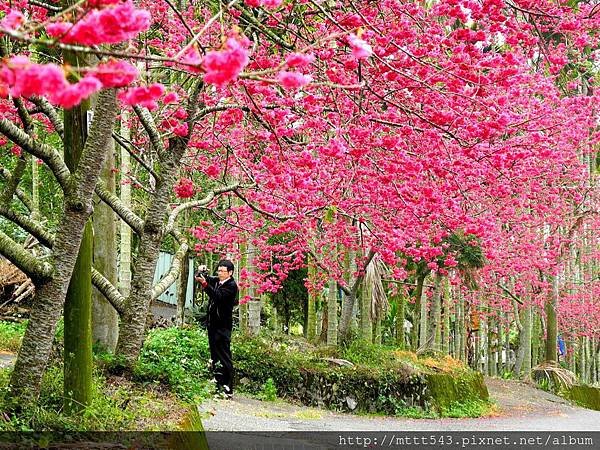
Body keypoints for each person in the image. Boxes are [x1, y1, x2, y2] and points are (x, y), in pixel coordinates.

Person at [195, 260, 238, 398]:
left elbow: (217, 297)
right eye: (218, 271)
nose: (219, 273)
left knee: (224, 356)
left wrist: (206, 285)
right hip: (212, 324)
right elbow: (202, 278)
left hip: (223, 326)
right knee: (214, 356)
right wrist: (200, 271)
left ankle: (228, 388)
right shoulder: (217, 281)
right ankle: (218, 385)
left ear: (230, 273)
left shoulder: (231, 286)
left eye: (222, 271)